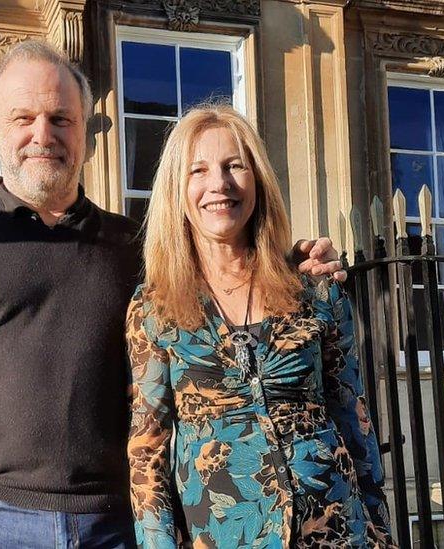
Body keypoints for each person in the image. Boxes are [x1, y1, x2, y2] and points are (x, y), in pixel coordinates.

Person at [0, 40, 345, 549]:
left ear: (87, 131)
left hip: (118, 523)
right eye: (24, 118)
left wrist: (289, 263)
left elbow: (225, 258)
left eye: (61, 119)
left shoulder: (136, 247)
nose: (43, 135)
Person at [126, 105, 396, 548]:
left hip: (337, 531)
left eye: (235, 166)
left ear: (258, 180)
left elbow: (354, 417)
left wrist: (380, 531)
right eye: (199, 170)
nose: (220, 184)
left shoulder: (314, 288)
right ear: (178, 189)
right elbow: (147, 451)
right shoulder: (154, 308)